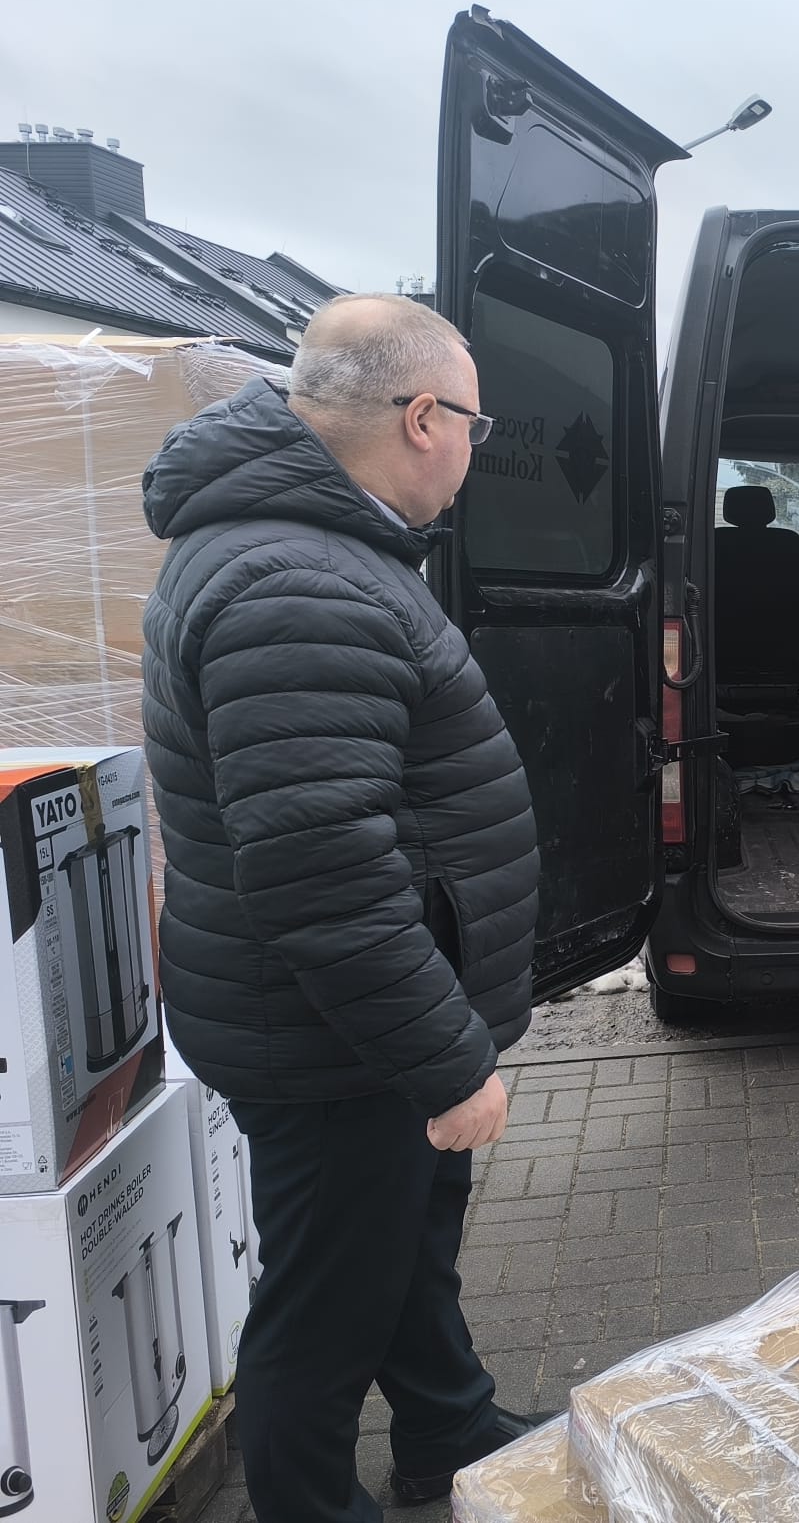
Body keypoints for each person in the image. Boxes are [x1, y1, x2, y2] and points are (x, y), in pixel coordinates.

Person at [141, 294, 544, 1520]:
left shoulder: (313, 548)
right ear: (423, 418)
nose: (476, 447)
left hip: (345, 1024)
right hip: (334, 1037)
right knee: (323, 1313)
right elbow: (321, 871)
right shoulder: (297, 582)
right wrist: (446, 1062)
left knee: (400, 1253)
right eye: (476, 423)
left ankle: (447, 1432)